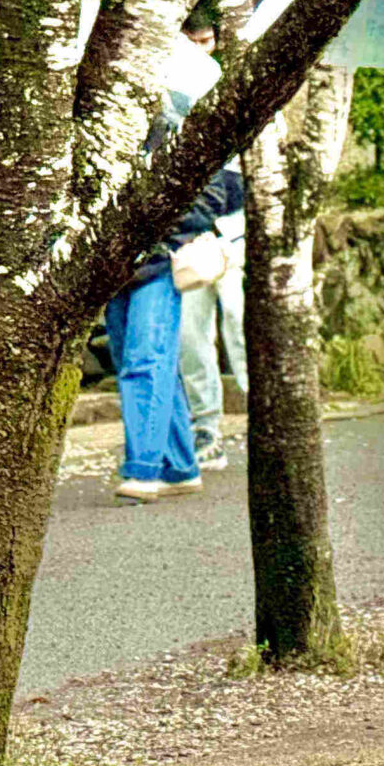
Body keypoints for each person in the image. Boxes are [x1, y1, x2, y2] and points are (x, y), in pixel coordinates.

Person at [107, 46, 238, 503]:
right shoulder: (108, 124)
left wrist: (165, 232)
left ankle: (143, 469)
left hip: (161, 260)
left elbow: (215, 193)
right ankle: (181, 466)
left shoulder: (180, 114)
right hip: (117, 265)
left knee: (145, 360)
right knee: (142, 360)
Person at [172, 12, 246, 469]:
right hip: (189, 233)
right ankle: (206, 428)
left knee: (241, 322)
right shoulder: (167, 91)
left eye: (207, 41)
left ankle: (268, 415)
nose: (201, 50)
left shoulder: (230, 83)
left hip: (233, 226)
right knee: (191, 335)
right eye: (192, 42)